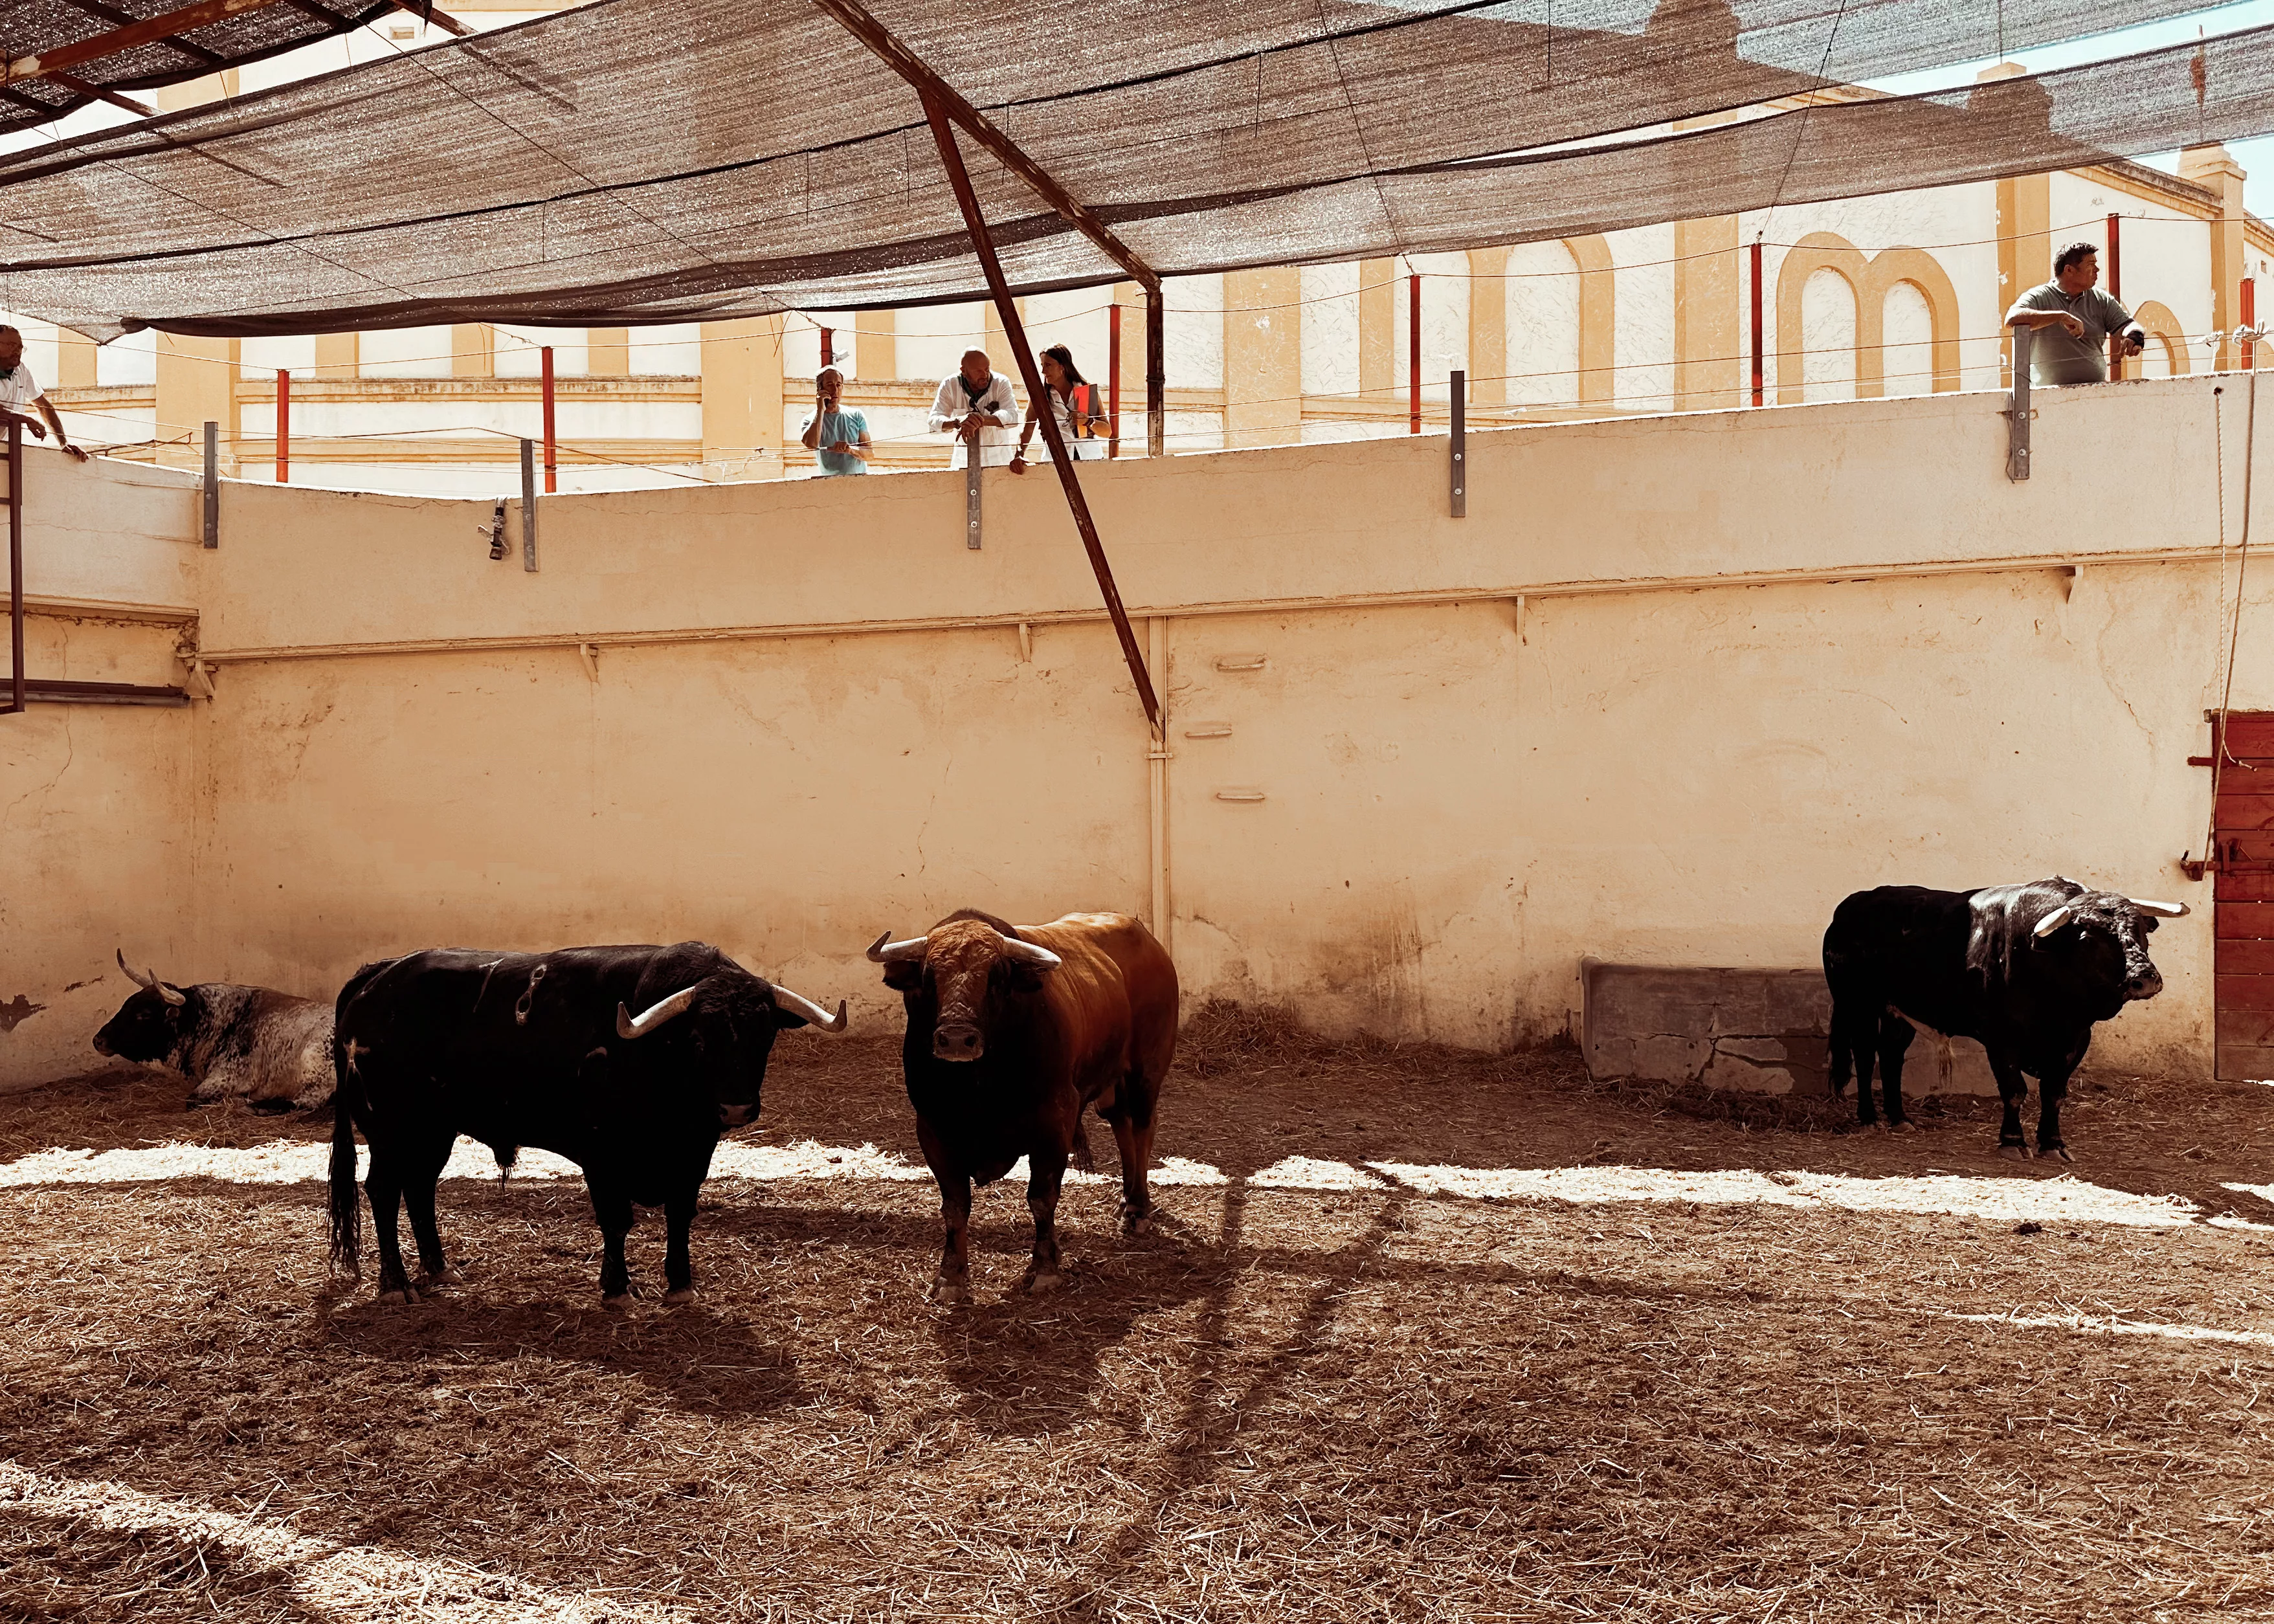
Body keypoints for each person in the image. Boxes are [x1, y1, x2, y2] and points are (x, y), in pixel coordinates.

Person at [2005, 243, 2145, 387]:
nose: (2097, 269)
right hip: (2046, 397)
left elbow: (2128, 324)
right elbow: (2012, 318)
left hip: (2094, 392)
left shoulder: (2101, 299)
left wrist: (2135, 335)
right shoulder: (2039, 296)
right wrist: (2061, 316)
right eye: (2091, 265)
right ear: (2069, 270)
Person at [1010, 344, 1109, 474]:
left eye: (1048, 365)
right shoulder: (1041, 397)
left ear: (1062, 367)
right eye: (1042, 365)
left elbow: (1107, 432)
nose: (1043, 371)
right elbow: (1028, 427)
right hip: (1055, 463)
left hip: (1090, 460)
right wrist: (1019, 454)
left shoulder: (1086, 392)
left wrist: (1088, 421)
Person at [0, 326, 87, 462]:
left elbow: (42, 405)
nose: (17, 351)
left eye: (20, 347)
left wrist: (63, 442)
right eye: (12, 345)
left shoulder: (21, 370)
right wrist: (26, 419)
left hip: (7, 450)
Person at [927, 348, 1020, 469]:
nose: (985, 375)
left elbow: (1012, 416)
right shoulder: (949, 384)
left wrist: (979, 420)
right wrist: (958, 421)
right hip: (963, 463)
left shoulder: (1001, 382)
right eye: (978, 371)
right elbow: (934, 421)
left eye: (987, 369)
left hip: (999, 462)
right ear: (964, 371)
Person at [797, 366, 871, 476]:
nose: (835, 390)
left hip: (859, 481)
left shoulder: (856, 415)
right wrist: (820, 410)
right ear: (820, 388)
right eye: (830, 385)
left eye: (838, 385)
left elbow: (870, 455)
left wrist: (850, 450)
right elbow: (811, 444)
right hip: (830, 484)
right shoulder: (810, 420)